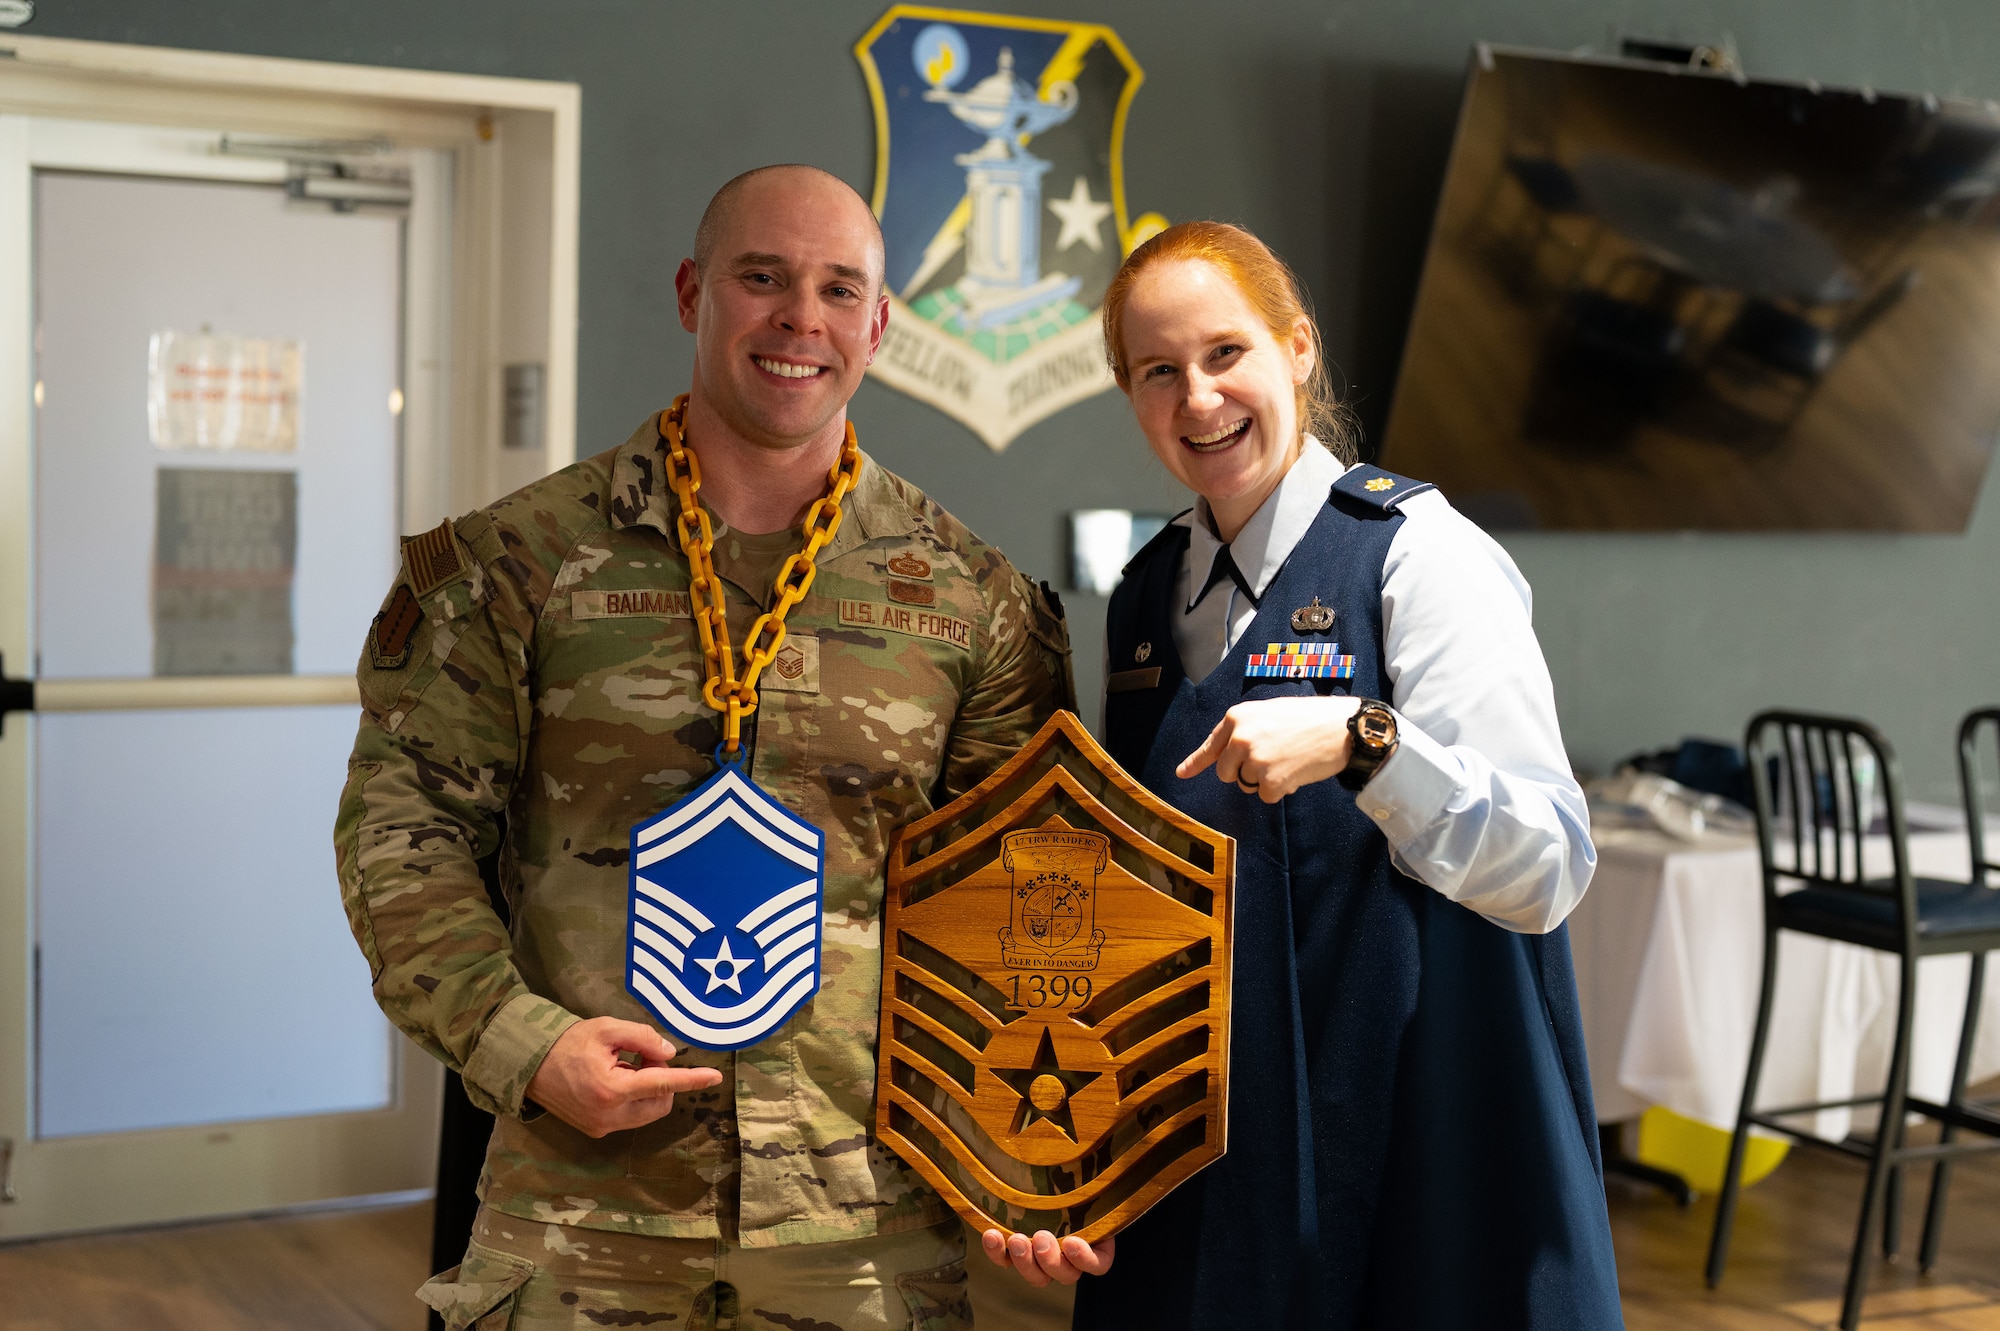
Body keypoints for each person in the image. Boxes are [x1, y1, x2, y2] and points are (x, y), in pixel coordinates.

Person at [335, 164, 1077, 1331]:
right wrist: (520, 1041)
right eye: (762, 278)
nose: (800, 319)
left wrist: (1043, 1146)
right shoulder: (515, 564)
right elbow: (403, 833)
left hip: (864, 1217)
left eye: (839, 289)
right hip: (579, 1208)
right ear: (692, 293)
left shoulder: (969, 598)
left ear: (878, 325)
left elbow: (1024, 897)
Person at [981, 220, 1623, 1327]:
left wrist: (1366, 742)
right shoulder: (1144, 597)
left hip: (1407, 1150)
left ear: (1298, 349)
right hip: (1212, 1162)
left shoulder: (1418, 556)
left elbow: (1548, 862)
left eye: (1225, 352)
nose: (1198, 398)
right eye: (1157, 371)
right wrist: (1067, 1155)